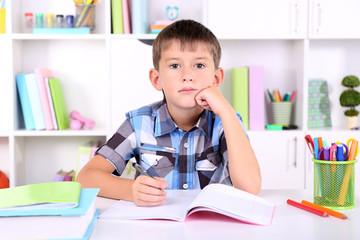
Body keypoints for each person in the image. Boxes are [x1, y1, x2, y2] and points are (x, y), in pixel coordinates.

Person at [76, 19, 261, 206]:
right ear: (157, 79)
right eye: (175, 66)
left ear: (216, 78)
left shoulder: (225, 122)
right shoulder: (139, 123)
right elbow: (85, 178)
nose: (187, 75)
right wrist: (130, 191)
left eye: (199, 65)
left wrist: (226, 110)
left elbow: (249, 188)